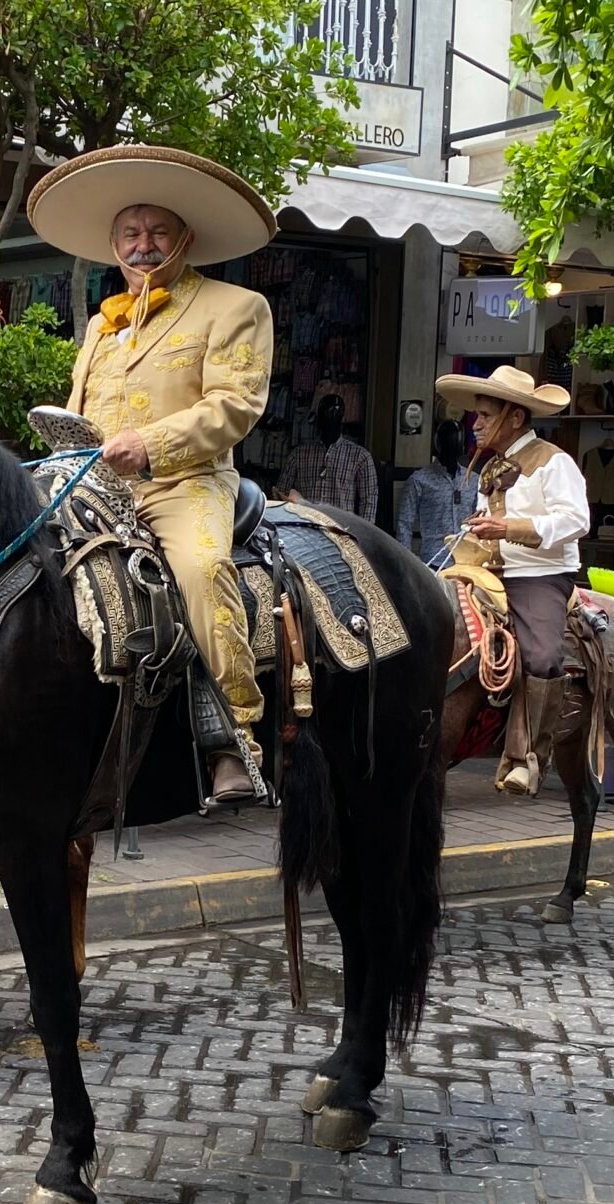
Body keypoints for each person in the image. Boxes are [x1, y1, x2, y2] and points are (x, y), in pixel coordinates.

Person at [28, 143, 275, 806]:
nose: (143, 245)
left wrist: (150, 444)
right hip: (88, 485)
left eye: (157, 232)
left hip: (183, 482)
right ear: (113, 245)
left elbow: (235, 405)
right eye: (131, 234)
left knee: (201, 570)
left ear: (185, 238)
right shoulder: (102, 325)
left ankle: (233, 737)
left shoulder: (235, 305)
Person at [432, 362, 590, 796]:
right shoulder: (493, 466)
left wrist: (509, 529)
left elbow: (577, 520)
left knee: (541, 655)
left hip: (539, 575)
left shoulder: (553, 462)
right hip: (489, 571)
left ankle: (528, 757)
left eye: (484, 416)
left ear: (515, 417)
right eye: (476, 416)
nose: (475, 425)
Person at [285, 394, 377, 523]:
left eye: (336, 413)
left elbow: (369, 501)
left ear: (342, 418)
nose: (331, 418)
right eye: (327, 413)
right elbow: (282, 494)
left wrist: (363, 537)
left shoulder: (360, 457)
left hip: (342, 531)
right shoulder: (299, 455)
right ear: (319, 417)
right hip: (306, 528)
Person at [397, 417, 476, 559]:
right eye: (448, 440)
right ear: (439, 443)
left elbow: (480, 519)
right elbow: (404, 524)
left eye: (456, 440)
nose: (452, 444)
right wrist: (407, 563)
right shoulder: (419, 480)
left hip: (467, 560)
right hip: (433, 560)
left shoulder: (473, 480)